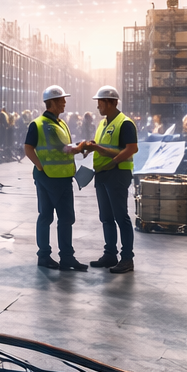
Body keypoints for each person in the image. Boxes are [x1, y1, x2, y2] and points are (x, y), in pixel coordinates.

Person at [24, 85, 86, 270]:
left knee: (55, 218)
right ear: (51, 103)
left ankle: (56, 257)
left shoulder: (61, 123)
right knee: (56, 217)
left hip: (61, 178)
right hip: (50, 178)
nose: (64, 102)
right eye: (61, 100)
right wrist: (39, 165)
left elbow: (63, 148)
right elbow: (28, 148)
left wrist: (77, 148)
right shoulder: (38, 124)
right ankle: (56, 257)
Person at [79, 86, 139, 273]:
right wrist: (91, 147)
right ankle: (110, 254)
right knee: (106, 217)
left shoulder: (125, 123)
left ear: (111, 102)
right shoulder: (103, 124)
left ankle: (127, 258)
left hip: (117, 173)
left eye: (101, 102)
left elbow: (131, 149)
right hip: (103, 173)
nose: (98, 106)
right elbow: (102, 146)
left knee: (121, 216)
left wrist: (112, 162)